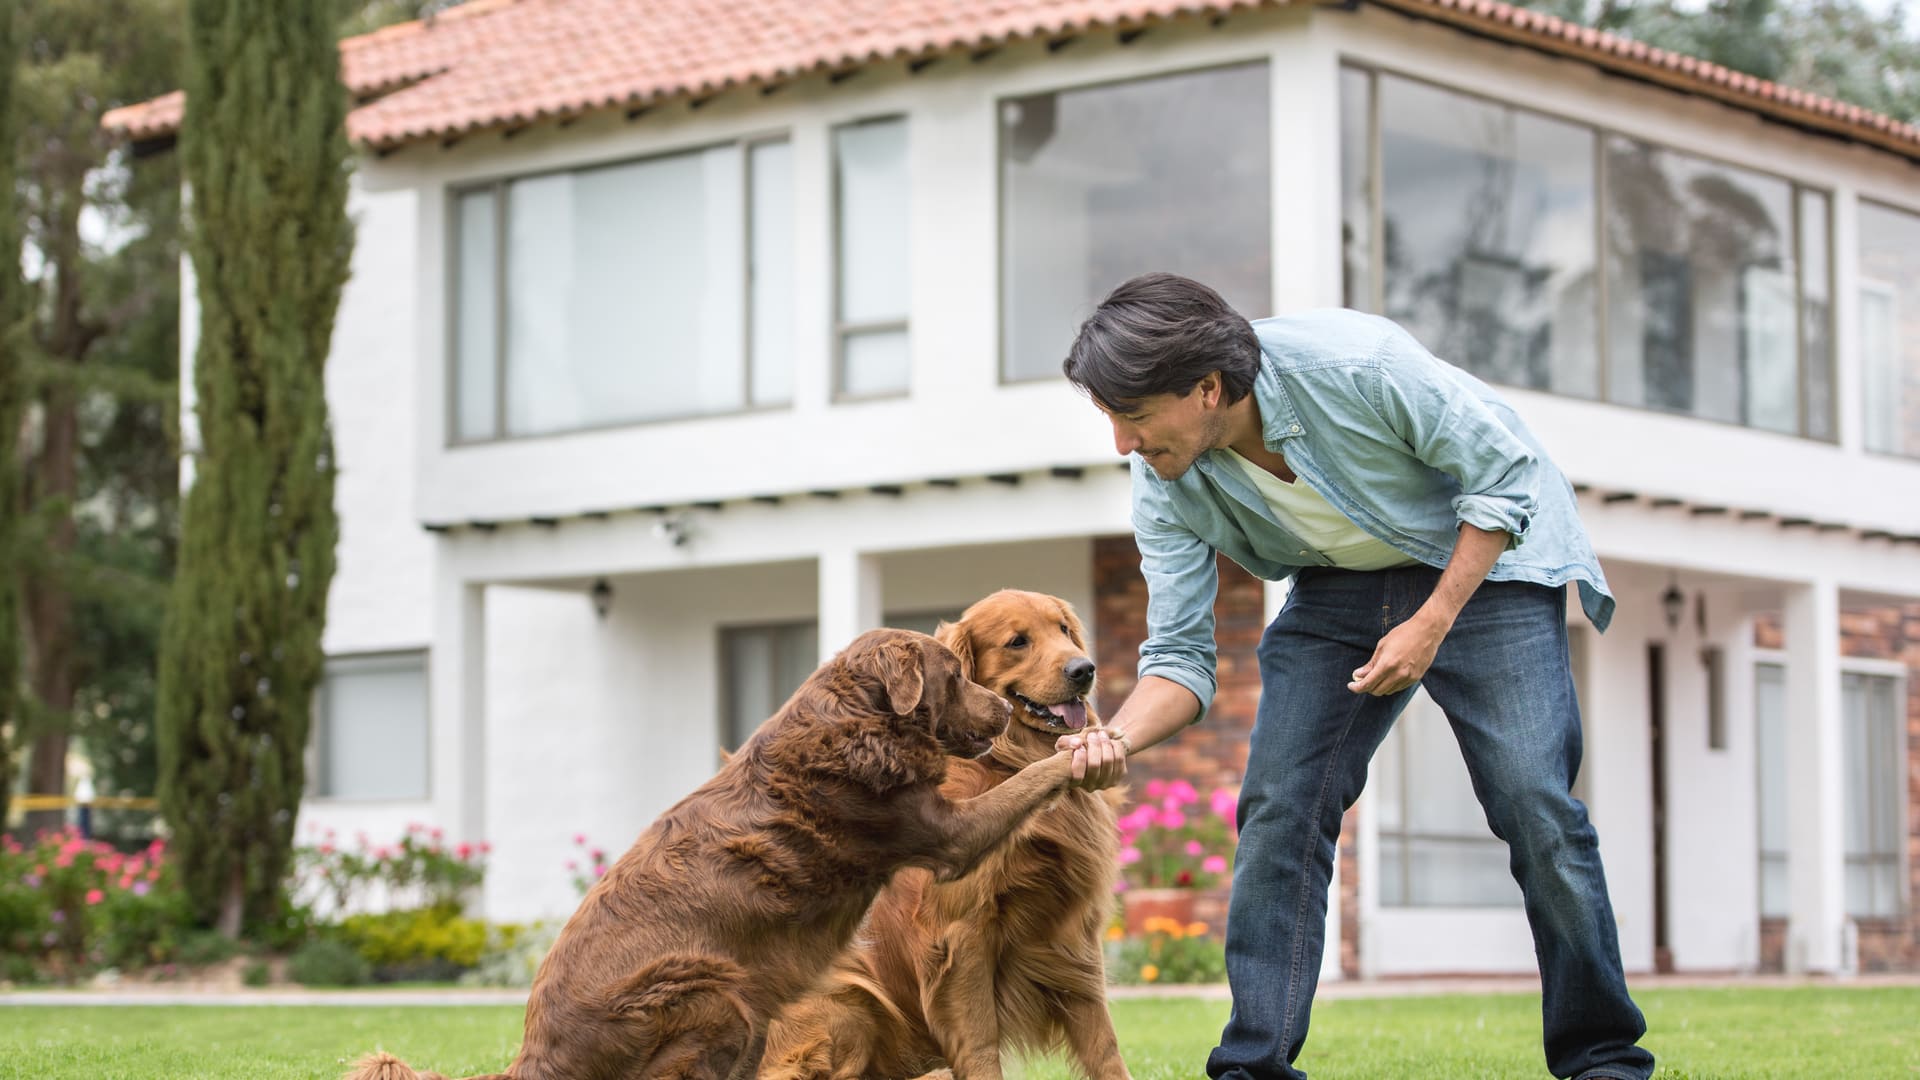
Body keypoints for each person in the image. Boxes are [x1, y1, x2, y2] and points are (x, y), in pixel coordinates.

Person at [1053, 273, 1654, 1080]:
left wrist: (1431, 621)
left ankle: (1604, 1060)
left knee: (1533, 801)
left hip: (1490, 564)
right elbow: (1181, 660)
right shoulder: (1166, 479)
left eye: (1133, 419)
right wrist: (1113, 739)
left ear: (1206, 390)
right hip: (1339, 585)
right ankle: (1253, 1067)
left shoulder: (1357, 366)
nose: (1123, 445)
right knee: (1280, 806)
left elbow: (1506, 475)